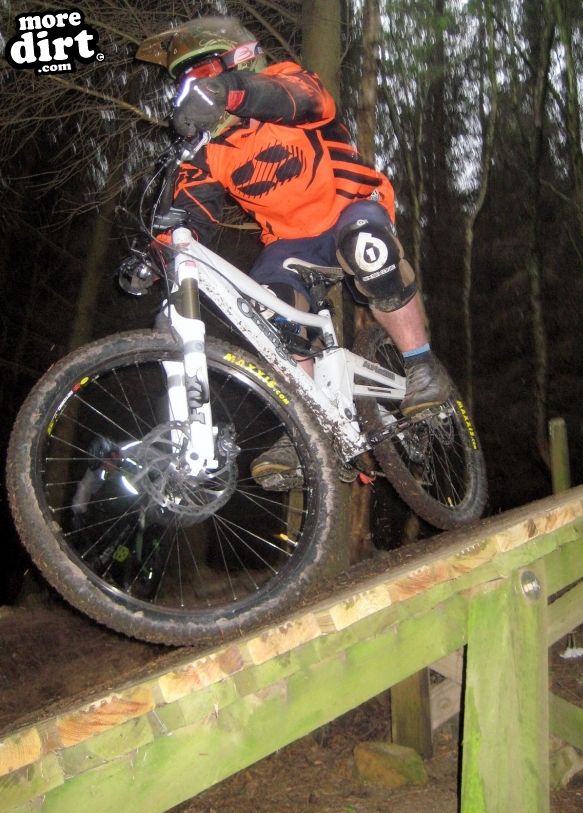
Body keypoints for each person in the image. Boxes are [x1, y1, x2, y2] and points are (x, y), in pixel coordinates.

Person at [121, 16, 451, 488]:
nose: (192, 95)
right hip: (292, 244)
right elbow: (188, 218)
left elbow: (307, 100)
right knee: (268, 314)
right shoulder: (211, 152)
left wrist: (231, 92)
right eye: (185, 88)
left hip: (350, 207)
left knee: (368, 250)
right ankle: (314, 425)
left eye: (199, 81)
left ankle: (421, 365)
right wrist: (152, 259)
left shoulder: (287, 83)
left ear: (235, 63)